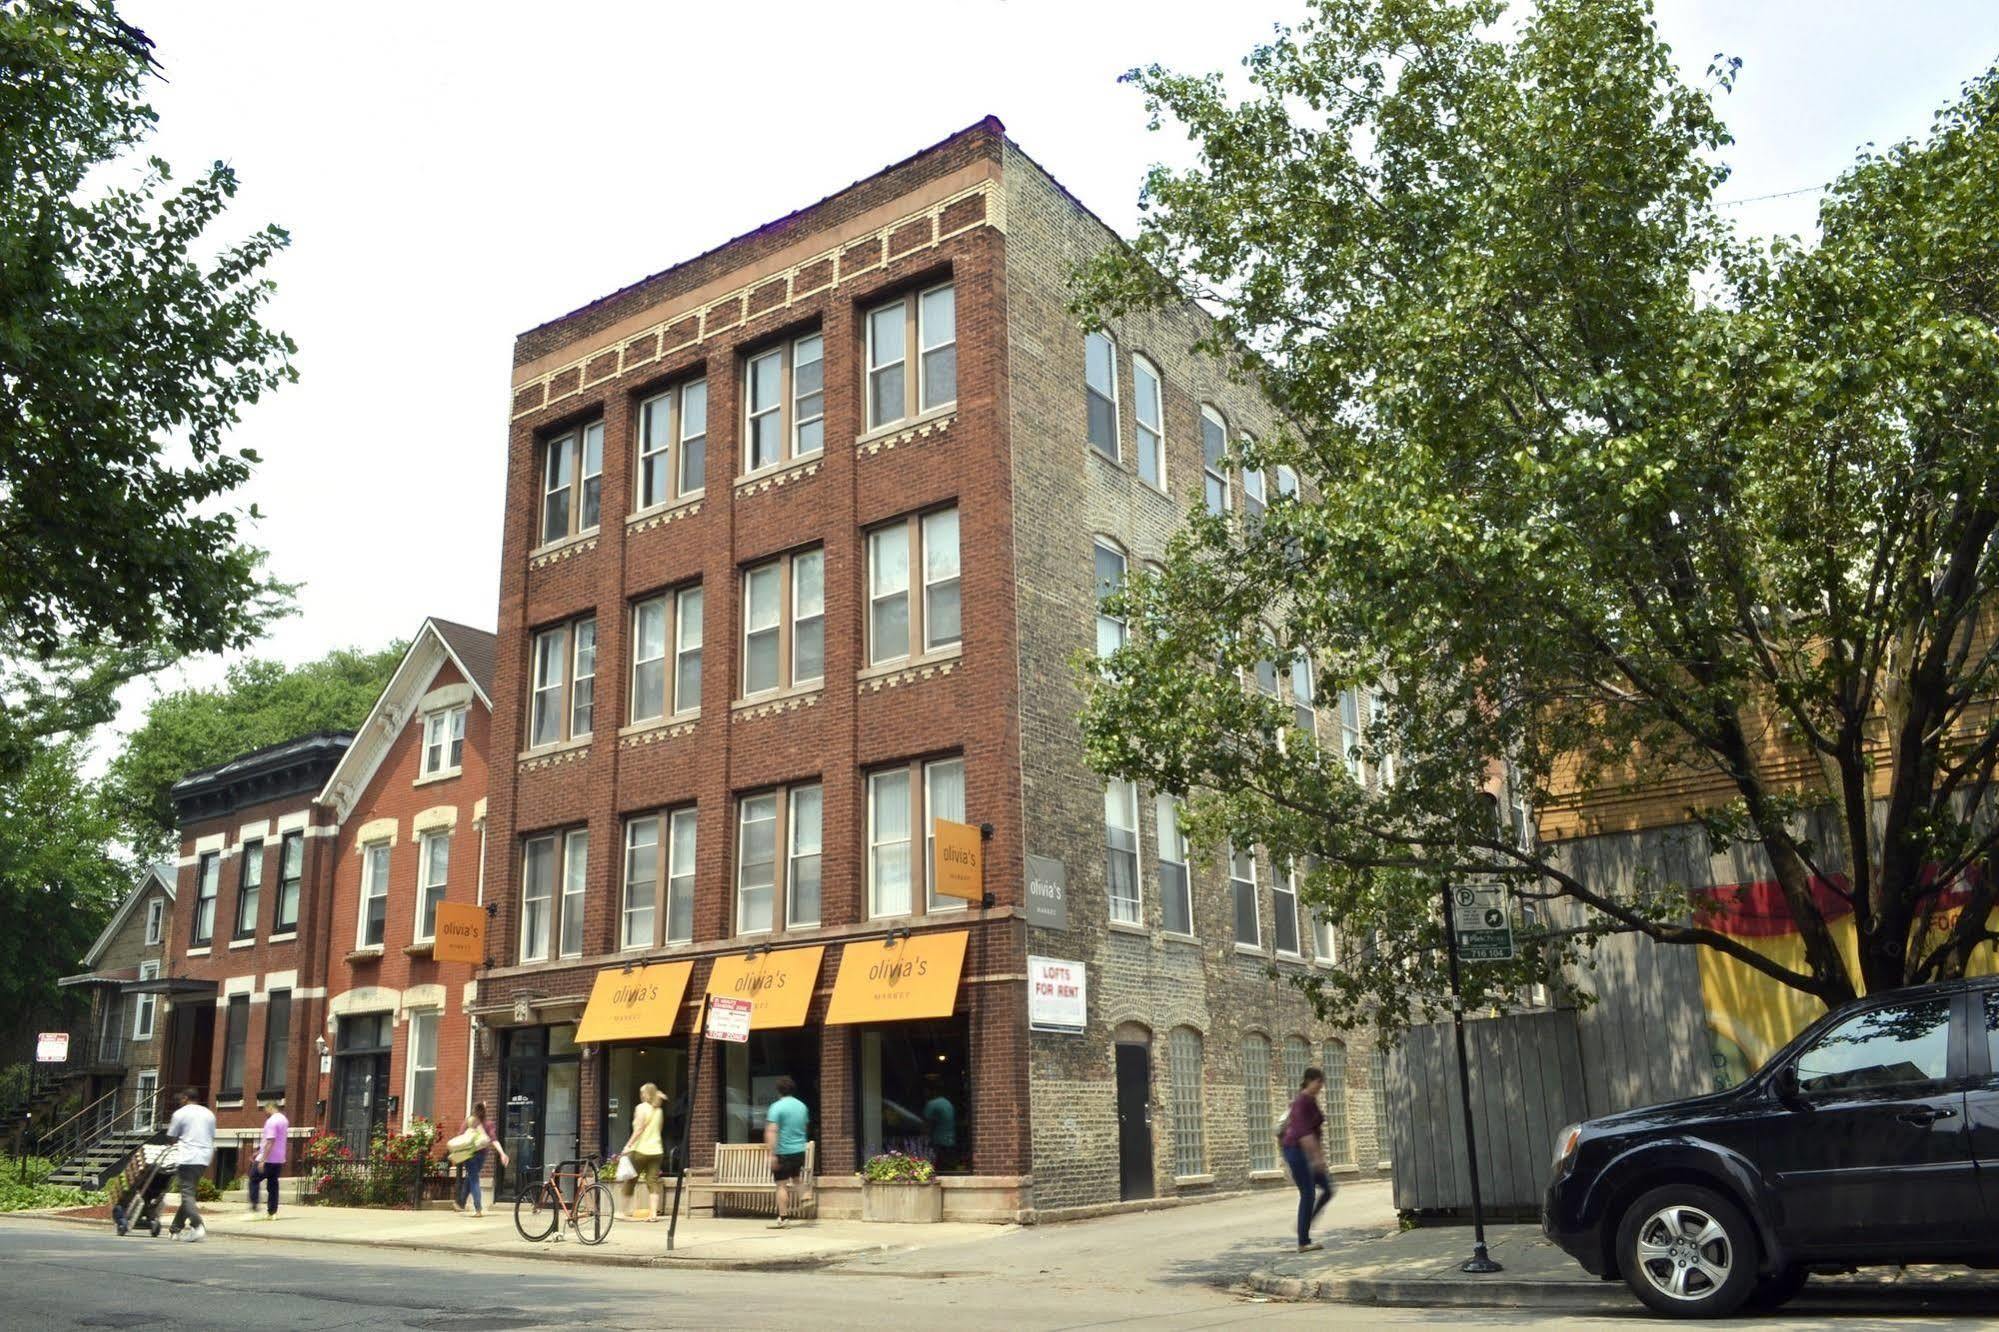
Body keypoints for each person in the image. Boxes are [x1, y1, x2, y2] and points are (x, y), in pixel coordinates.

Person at [1278, 1066, 1335, 1253]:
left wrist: (1318, 1156)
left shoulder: (1310, 1100)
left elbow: (1315, 1132)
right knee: (1309, 1193)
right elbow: (1305, 1135)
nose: (1321, 1086)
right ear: (1310, 1081)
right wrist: (1318, 1159)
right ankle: (1304, 1241)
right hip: (1296, 1151)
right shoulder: (1302, 1102)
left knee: (1327, 1189)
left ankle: (1305, 1222)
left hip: (1307, 1152)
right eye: (1319, 1082)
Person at [165, 1087, 216, 1242]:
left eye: (181, 1099)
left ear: (186, 1098)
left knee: (187, 1195)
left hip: (187, 1156)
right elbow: (211, 1135)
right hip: (204, 1157)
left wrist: (174, 1144)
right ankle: (175, 1229)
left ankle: (197, 1225)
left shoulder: (180, 1113)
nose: (180, 1102)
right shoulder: (209, 1113)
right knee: (189, 1195)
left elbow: (171, 1136)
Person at [762, 1076, 809, 1228]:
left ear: (778, 1091)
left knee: (781, 1185)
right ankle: (806, 1196)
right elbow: (804, 1127)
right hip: (799, 1150)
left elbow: (772, 1130)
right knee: (796, 1178)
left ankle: (783, 1218)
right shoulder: (802, 1106)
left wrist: (771, 1153)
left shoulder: (776, 1107)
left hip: (783, 1151)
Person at [453, 1102, 510, 1218]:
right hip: (482, 1156)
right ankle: (461, 1202)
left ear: (474, 1110)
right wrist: (502, 1153)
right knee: (471, 1176)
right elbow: (493, 1139)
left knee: (474, 1180)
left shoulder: (469, 1122)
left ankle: (477, 1208)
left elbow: (460, 1136)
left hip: (469, 1154)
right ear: (485, 1112)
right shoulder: (489, 1124)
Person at [619, 1082, 666, 1220]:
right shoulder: (659, 1111)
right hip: (657, 1150)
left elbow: (639, 1129)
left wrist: (628, 1145)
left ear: (646, 1094)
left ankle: (623, 1211)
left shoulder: (641, 1108)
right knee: (653, 1182)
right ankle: (653, 1214)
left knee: (630, 1180)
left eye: (642, 1092)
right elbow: (659, 1129)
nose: (641, 1095)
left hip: (640, 1150)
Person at [248, 1096, 289, 1220]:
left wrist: (262, 1159)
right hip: (279, 1158)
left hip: (268, 1158)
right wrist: (258, 1152)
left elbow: (270, 1141)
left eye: (265, 1110)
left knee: (253, 1179)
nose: (265, 1113)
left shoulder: (271, 1121)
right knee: (273, 1184)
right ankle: (272, 1212)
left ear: (270, 1108)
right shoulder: (284, 1120)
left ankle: (254, 1208)